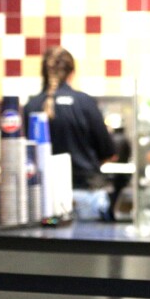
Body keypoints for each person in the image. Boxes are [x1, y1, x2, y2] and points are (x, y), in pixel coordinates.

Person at [24, 46, 116, 220]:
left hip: (43, 199)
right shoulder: (85, 103)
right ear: (72, 73)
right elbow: (108, 152)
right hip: (86, 195)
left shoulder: (32, 106)